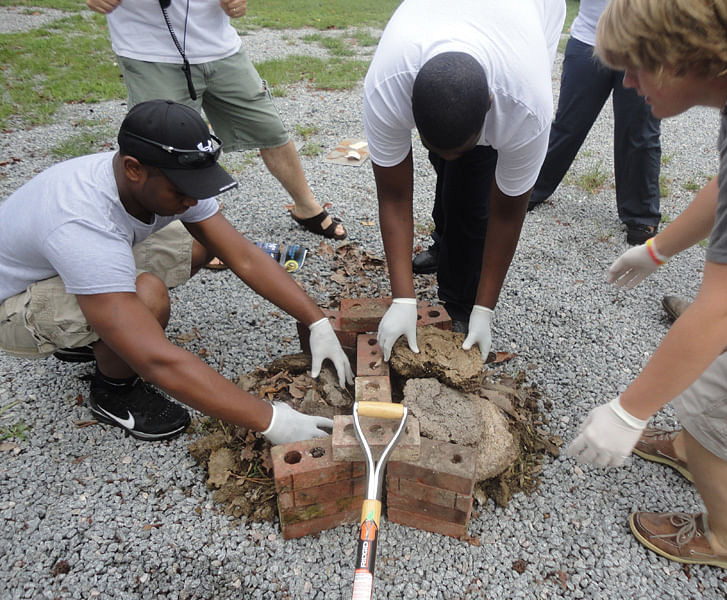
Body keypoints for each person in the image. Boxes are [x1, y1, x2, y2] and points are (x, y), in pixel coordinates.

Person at [566, 0, 727, 573]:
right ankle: (692, 445)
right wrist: (656, 248)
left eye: (636, 66)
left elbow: (724, 304)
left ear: (684, 56)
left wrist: (629, 410)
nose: (627, 81)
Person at [0, 99, 353, 443]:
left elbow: (241, 255)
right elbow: (157, 360)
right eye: (182, 190)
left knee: (200, 243)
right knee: (147, 297)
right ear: (133, 169)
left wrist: (316, 320)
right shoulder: (82, 221)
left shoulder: (147, 180)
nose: (192, 199)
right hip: (14, 304)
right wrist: (270, 420)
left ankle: (95, 335)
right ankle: (114, 392)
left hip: (63, 264)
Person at [363, 0, 566, 361]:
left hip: (533, 14)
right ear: (411, 102)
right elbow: (393, 197)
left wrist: (484, 308)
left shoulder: (527, 107)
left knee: (474, 185)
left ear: (490, 104)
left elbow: (507, 213)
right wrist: (403, 298)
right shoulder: (386, 85)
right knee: (453, 170)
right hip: (444, 26)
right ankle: (445, 241)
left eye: (460, 145)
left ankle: (461, 300)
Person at [86, 0, 347, 242]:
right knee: (164, 152)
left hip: (221, 48)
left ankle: (305, 206)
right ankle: (185, 234)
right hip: (148, 51)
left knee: (270, 130)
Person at [528, 0, 662, 247]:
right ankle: (531, 188)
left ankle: (641, 215)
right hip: (588, 41)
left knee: (639, 133)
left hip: (646, 48)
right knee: (568, 125)